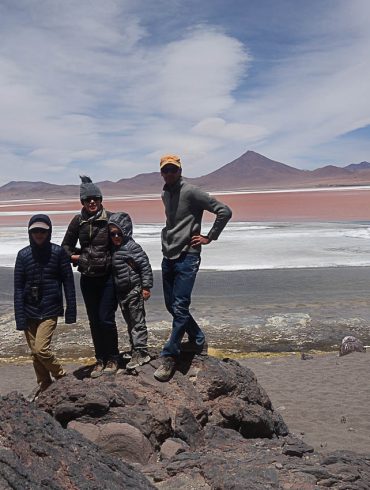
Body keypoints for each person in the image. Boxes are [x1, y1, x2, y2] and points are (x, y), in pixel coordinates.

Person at [154, 154, 232, 381]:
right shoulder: (165, 193)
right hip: (168, 254)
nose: (169, 174)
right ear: (161, 172)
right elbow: (174, 222)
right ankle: (198, 340)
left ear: (180, 170)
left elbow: (224, 211)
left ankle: (169, 356)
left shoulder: (191, 192)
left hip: (188, 255)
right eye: (165, 170)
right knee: (171, 305)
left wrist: (210, 237)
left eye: (173, 170)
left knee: (179, 307)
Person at [62, 176, 119, 378]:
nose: (92, 202)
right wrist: (78, 257)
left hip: (107, 278)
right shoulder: (78, 221)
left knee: (106, 319)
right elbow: (65, 247)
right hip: (88, 278)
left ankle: (113, 358)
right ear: (83, 202)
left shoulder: (111, 218)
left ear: (101, 199)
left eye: (95, 198)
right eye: (87, 199)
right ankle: (100, 359)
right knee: (94, 321)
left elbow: (122, 245)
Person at [14, 214, 76, 396]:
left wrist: (70, 310)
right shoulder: (23, 255)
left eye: (43, 231)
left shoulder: (58, 253)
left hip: (50, 308)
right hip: (28, 310)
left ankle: (61, 375)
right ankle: (45, 384)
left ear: (49, 231)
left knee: (41, 348)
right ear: (30, 232)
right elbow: (18, 288)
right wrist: (20, 317)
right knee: (35, 353)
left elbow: (68, 283)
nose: (39, 234)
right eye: (35, 231)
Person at [108, 212, 153, 369]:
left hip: (134, 290)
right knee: (130, 322)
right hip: (122, 292)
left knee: (137, 321)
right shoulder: (113, 248)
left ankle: (142, 352)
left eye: (118, 233)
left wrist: (146, 287)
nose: (115, 237)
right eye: (112, 233)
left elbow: (145, 266)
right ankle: (135, 348)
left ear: (125, 231)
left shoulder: (132, 247)